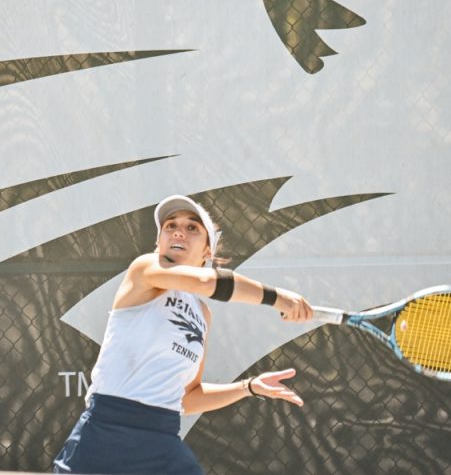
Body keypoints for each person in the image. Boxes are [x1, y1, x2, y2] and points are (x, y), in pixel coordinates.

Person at [53, 194, 314, 474]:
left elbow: (188, 396)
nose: (179, 231)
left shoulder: (202, 313)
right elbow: (205, 280)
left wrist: (248, 387)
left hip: (163, 439)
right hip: (106, 431)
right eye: (171, 225)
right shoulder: (144, 269)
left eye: (192, 227)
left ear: (207, 250)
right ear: (159, 242)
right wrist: (278, 298)